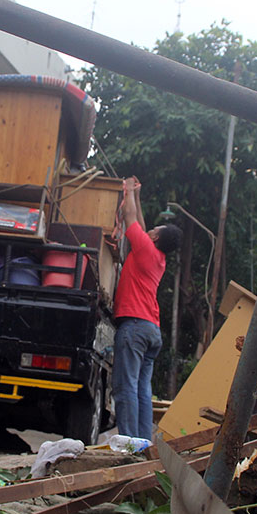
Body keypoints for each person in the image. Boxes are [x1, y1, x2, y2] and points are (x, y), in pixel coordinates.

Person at [111, 177, 182, 441]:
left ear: (154, 237)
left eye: (154, 229)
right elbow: (139, 223)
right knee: (141, 388)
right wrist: (138, 195)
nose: (149, 229)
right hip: (152, 331)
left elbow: (131, 218)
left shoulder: (145, 250)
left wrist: (127, 190)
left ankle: (128, 442)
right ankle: (142, 442)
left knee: (125, 386)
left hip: (135, 328)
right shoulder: (157, 257)